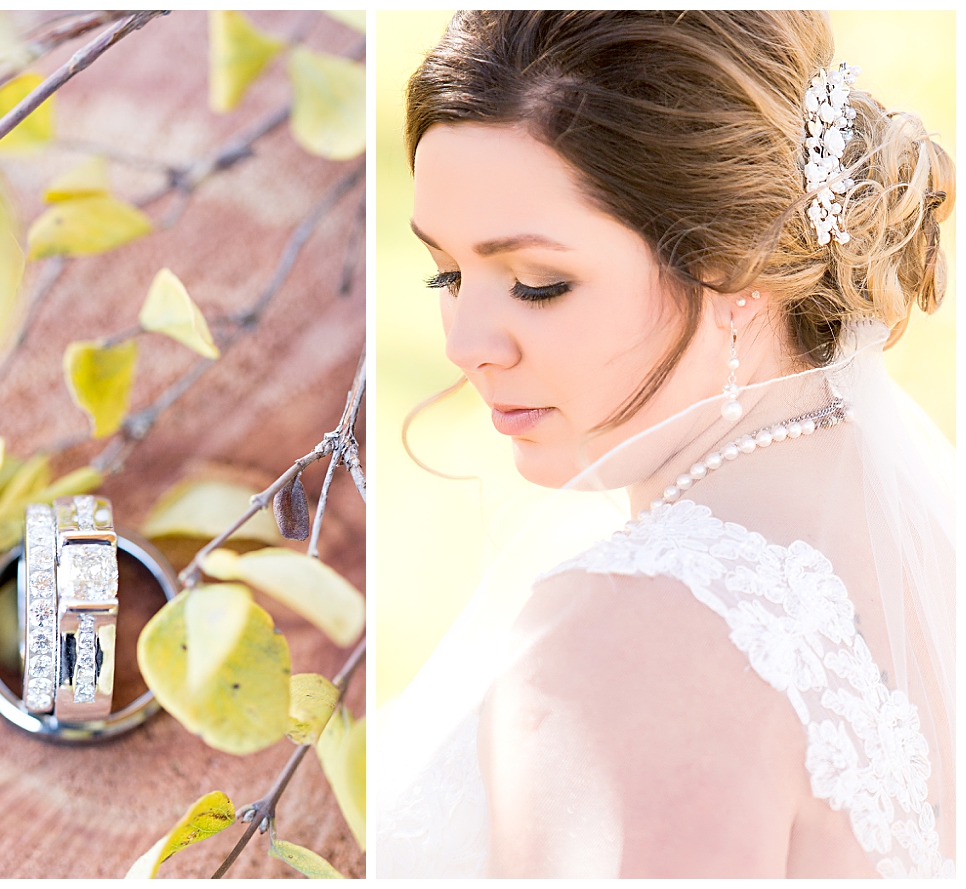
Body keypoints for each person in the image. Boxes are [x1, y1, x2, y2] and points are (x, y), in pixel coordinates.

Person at [377, 11, 954, 878]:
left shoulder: (624, 632)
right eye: (447, 275)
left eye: (538, 284)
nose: (465, 342)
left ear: (734, 268)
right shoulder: (915, 537)